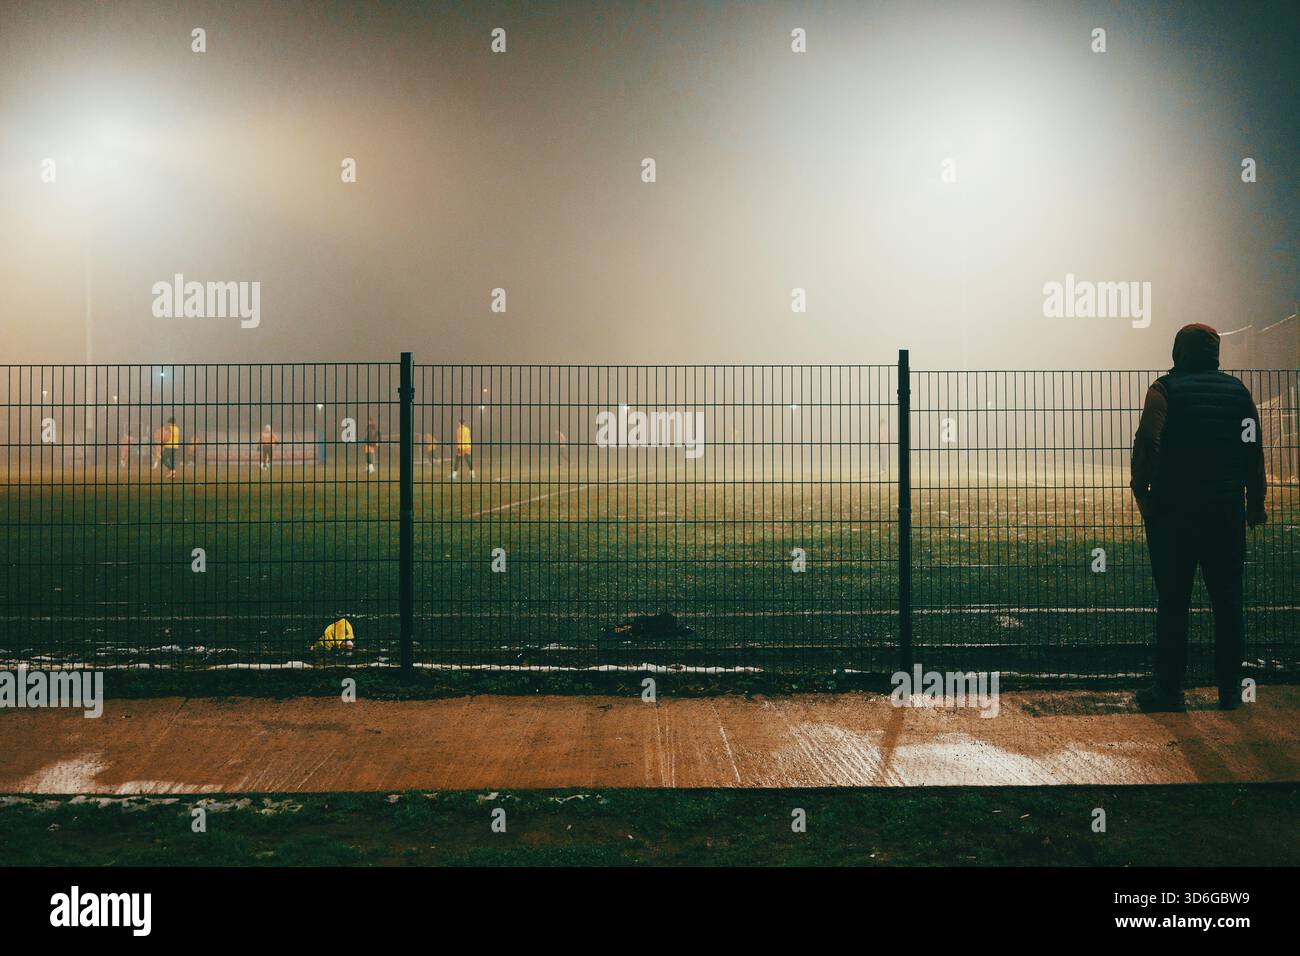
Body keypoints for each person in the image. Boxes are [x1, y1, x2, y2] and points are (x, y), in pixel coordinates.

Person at [1130, 324, 1267, 712]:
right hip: (1225, 511)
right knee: (1227, 601)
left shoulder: (1163, 389)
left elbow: (1148, 440)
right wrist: (1255, 502)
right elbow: (1251, 448)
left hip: (1175, 512)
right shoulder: (1239, 393)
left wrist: (1143, 491)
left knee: (1174, 601)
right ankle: (1229, 691)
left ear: (1178, 351)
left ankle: (1170, 691)